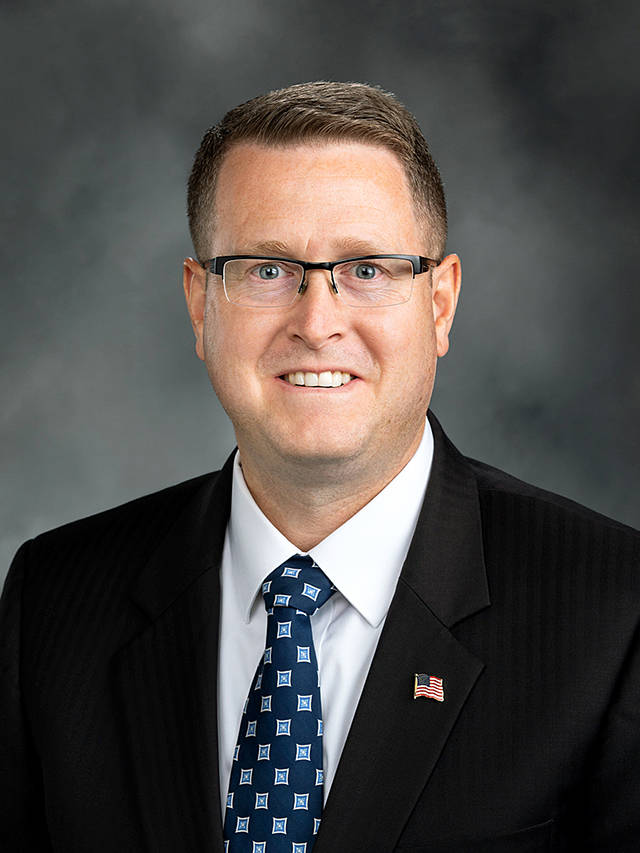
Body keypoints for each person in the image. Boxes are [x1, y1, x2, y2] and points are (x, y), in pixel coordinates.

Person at [1, 81, 639, 853]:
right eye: (267, 270)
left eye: (367, 269)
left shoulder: (614, 613)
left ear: (439, 304)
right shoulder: (55, 601)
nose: (317, 321)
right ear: (201, 305)